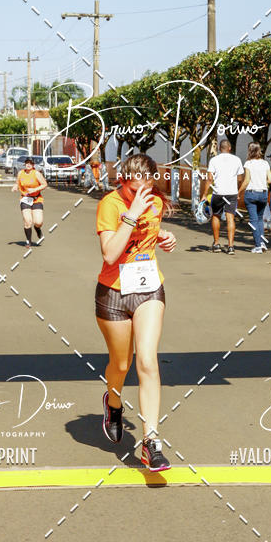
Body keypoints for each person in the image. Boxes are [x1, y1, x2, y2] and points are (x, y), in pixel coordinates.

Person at [95, 153, 176, 471]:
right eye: (132, 190)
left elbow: (149, 240)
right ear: (123, 182)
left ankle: (151, 442)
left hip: (149, 289)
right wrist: (131, 213)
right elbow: (111, 253)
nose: (139, 195)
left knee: (146, 360)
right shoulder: (111, 204)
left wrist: (165, 238)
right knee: (121, 363)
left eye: (146, 188)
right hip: (113, 293)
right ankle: (113, 404)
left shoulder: (154, 203)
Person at [200, 138, 244, 254]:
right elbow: (240, 178)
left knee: (216, 216)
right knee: (230, 218)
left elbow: (209, 179)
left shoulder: (214, 160)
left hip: (218, 193)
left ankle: (216, 244)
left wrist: (204, 194)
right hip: (231, 193)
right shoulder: (237, 160)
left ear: (219, 149)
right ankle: (230, 246)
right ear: (230, 148)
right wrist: (237, 190)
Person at [241, 142, 271, 253]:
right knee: (260, 219)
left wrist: (238, 192)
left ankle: (258, 245)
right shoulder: (265, 163)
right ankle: (262, 243)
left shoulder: (248, 163)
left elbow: (246, 180)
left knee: (253, 220)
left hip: (251, 194)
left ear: (249, 150)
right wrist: (261, 181)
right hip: (263, 194)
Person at [12, 157, 47, 247]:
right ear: (25, 164)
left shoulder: (36, 174)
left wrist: (34, 189)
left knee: (38, 222)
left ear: (33, 165)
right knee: (28, 221)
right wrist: (15, 186)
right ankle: (28, 241)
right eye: (27, 163)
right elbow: (17, 182)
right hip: (25, 199)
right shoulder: (21, 173)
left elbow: (44, 184)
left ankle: (37, 228)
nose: (28, 164)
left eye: (30, 163)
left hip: (36, 199)